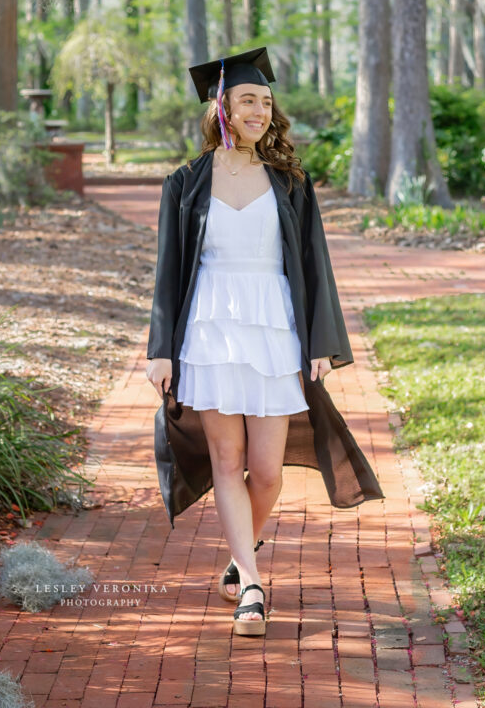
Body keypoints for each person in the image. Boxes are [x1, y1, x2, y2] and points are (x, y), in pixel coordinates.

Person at [145, 47, 384, 637]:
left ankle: (238, 552)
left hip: (275, 323)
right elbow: (168, 272)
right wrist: (160, 348)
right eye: (248, 100)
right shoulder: (185, 184)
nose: (260, 110)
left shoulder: (289, 182)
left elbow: (315, 264)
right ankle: (251, 583)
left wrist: (321, 341)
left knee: (267, 471)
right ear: (220, 105)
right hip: (210, 328)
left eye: (266, 102)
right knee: (228, 461)